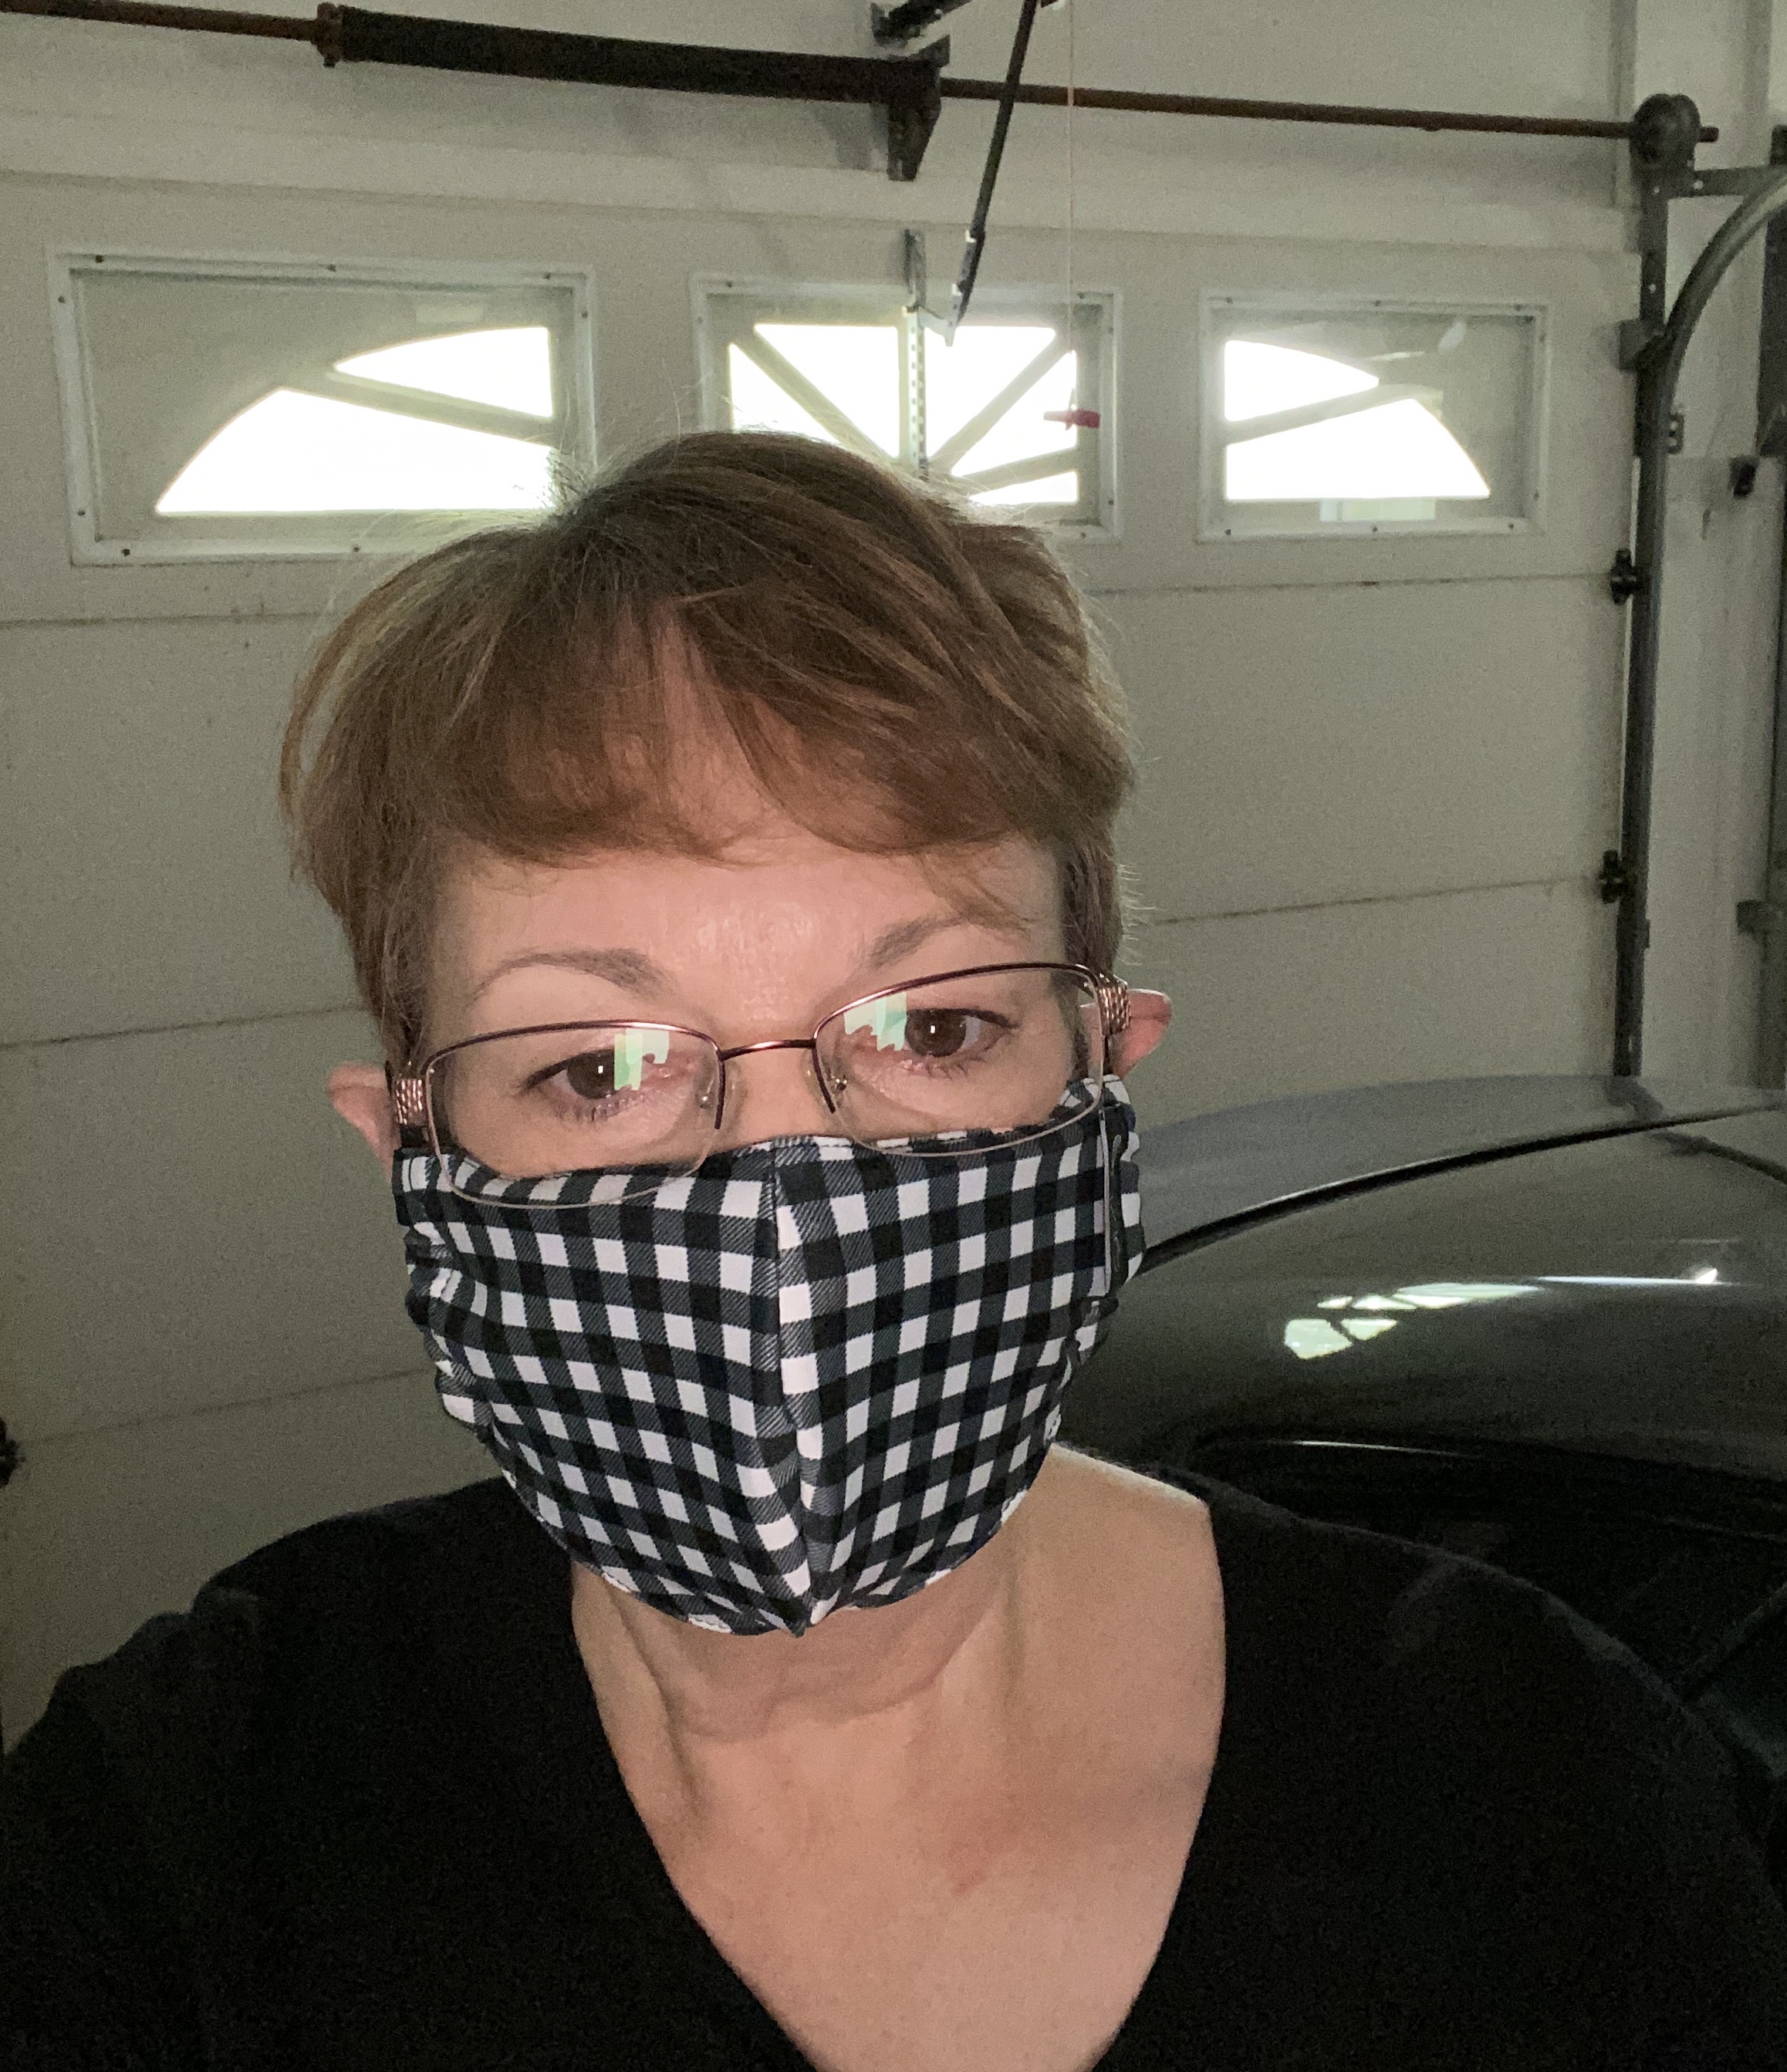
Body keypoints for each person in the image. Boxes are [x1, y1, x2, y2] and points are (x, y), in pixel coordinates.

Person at [2, 431, 1784, 2072]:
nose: (783, 1186)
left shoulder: (1528, 1779)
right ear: (415, 1149)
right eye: (598, 1065)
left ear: (1101, 1066)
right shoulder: (188, 1813)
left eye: (931, 1027)